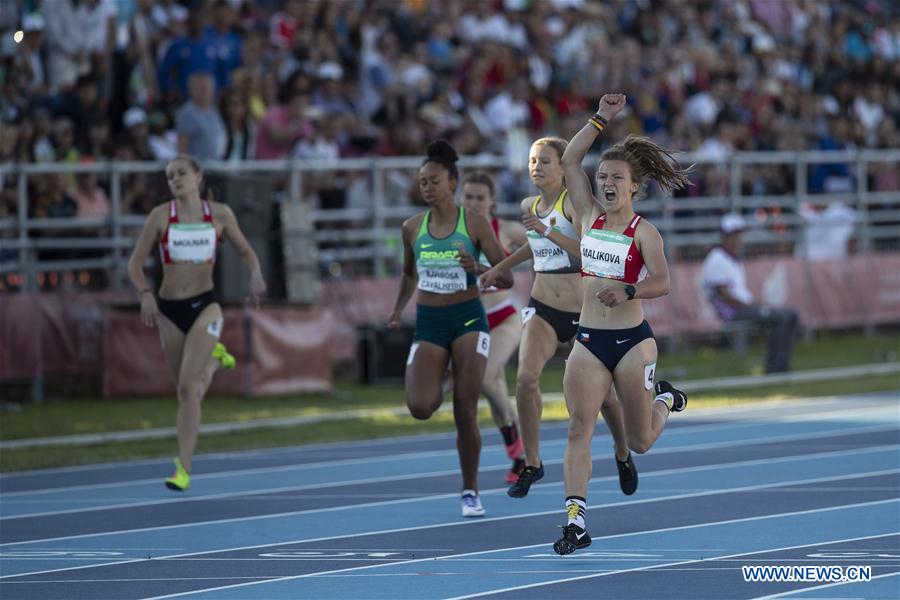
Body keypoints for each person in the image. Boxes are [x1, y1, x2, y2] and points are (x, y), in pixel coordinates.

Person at [553, 94, 690, 555]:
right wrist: (600, 118)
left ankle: (667, 399)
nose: (607, 183)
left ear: (634, 188)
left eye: (617, 178)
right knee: (578, 428)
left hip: (632, 343)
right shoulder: (589, 216)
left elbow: (664, 282)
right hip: (589, 341)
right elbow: (571, 158)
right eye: (603, 177)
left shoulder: (644, 232)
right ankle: (576, 521)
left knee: (641, 440)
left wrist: (629, 290)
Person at [479, 137, 638, 501]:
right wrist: (499, 267)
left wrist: (546, 229)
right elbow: (533, 246)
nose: (536, 167)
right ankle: (532, 462)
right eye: (532, 160)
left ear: (562, 168)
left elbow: (590, 253)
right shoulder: (529, 205)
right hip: (544, 307)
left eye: (545, 161)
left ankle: (623, 452)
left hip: (584, 313)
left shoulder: (573, 207)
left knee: (606, 398)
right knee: (525, 379)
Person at [387, 140, 513, 518]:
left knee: (465, 409)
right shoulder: (412, 228)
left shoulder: (472, 224)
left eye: (434, 180)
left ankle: (470, 490)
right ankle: (439, 372)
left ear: (452, 183)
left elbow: (505, 276)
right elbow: (409, 273)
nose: (427, 187)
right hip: (430, 323)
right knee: (421, 406)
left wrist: (480, 271)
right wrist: (396, 310)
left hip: (469, 319)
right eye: (422, 181)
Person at [127, 154, 266, 491]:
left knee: (189, 387)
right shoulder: (161, 217)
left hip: (206, 306)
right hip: (170, 310)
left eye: (182, 173)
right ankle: (216, 358)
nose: (175, 179)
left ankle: (183, 468)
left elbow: (246, 251)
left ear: (198, 176)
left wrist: (256, 275)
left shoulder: (218, 214)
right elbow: (134, 265)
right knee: (186, 391)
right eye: (170, 175)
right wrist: (145, 293)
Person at [459, 171, 528, 484]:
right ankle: (518, 454)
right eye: (468, 197)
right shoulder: (450, 232)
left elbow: (545, 249)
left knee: (485, 378)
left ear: (492, 202)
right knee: (493, 389)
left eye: (480, 198)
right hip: (471, 321)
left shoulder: (507, 229)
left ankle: (518, 443)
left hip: (504, 316)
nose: (474, 203)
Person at [702, 213, 800, 373]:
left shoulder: (730, 258)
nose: (738, 239)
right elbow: (725, 295)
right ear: (726, 237)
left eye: (739, 235)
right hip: (733, 312)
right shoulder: (717, 259)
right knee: (783, 317)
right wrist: (752, 305)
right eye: (735, 235)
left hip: (741, 308)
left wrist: (754, 305)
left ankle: (780, 365)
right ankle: (775, 368)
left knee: (790, 315)